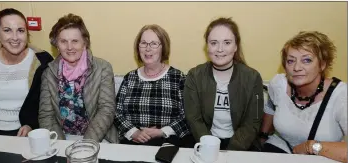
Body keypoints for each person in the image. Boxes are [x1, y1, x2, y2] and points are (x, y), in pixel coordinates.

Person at [260, 31, 347, 163]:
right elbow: (271, 108)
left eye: (306, 60)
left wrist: (310, 146)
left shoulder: (341, 95)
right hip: (280, 148)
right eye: (290, 61)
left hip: (323, 156)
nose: (297, 67)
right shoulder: (279, 84)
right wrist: (262, 136)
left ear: (322, 65)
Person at [184, 17, 264, 151]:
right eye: (214, 43)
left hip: (242, 145)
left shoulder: (252, 77)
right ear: (207, 46)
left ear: (235, 46)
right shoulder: (194, 76)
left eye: (227, 42)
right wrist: (210, 146)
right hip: (204, 141)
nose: (220, 49)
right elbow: (194, 119)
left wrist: (232, 151)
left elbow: (252, 122)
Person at [39, 13, 118, 143]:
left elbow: (107, 110)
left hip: (98, 137)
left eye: (75, 41)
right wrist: (61, 145)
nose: (69, 47)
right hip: (62, 138)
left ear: (85, 43)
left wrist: (86, 144)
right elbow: (46, 115)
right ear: (57, 45)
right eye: (63, 41)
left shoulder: (103, 67)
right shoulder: (48, 73)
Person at [114, 24, 193, 147]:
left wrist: (162, 132)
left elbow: (187, 115)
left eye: (154, 44)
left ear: (163, 47)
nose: (148, 49)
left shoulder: (178, 77)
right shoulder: (130, 78)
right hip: (132, 143)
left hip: (168, 144)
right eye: (143, 43)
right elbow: (116, 112)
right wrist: (133, 132)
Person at [0, 8, 53, 136]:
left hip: (23, 133)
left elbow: (47, 105)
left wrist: (32, 125)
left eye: (20, 31)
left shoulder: (43, 61)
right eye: (7, 30)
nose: (15, 37)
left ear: (27, 34)